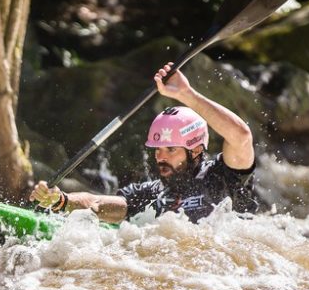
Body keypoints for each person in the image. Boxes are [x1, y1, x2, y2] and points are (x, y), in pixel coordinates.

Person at [29, 63, 260, 223]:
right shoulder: (152, 193)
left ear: (196, 150)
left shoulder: (224, 179)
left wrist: (186, 95)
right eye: (158, 149)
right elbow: (98, 203)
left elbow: (241, 136)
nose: (161, 156)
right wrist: (62, 201)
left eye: (171, 149)